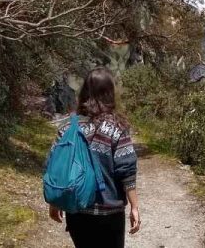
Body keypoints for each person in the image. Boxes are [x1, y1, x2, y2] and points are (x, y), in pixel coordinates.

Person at [47, 67, 141, 247]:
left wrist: (55, 201)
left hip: (77, 209)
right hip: (110, 213)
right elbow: (127, 170)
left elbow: (55, 166)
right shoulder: (117, 127)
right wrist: (134, 207)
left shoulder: (67, 127)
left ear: (84, 92)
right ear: (109, 93)